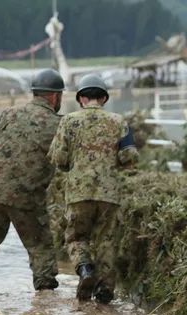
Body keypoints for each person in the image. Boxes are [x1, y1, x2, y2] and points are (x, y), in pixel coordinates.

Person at [49, 74, 138, 303]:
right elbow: (129, 157)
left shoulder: (68, 121)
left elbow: (59, 159)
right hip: (109, 193)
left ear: (80, 99)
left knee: (77, 237)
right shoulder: (119, 121)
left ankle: (85, 268)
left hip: (78, 192)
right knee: (106, 239)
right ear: (104, 98)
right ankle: (105, 290)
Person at [0, 68, 64, 292]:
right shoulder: (58, 124)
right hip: (27, 198)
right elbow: (65, 161)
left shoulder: (8, 114)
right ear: (55, 96)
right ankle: (45, 307)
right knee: (40, 248)